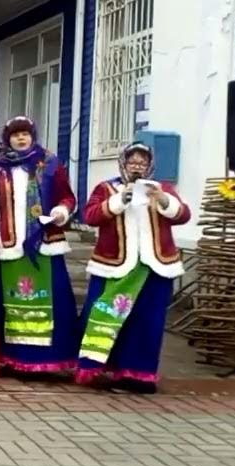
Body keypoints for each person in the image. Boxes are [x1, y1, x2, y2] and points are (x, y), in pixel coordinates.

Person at [77, 142, 191, 394]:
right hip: (114, 266)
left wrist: (163, 200)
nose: (137, 167)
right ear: (123, 164)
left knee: (146, 323)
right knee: (105, 316)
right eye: (132, 163)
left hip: (154, 268)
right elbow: (91, 216)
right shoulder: (106, 188)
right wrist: (119, 200)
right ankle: (103, 367)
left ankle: (138, 375)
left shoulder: (163, 189)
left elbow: (183, 215)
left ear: (150, 166)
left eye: (142, 163)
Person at [0, 116, 79, 377]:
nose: (20, 138)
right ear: (8, 139)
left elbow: (66, 196)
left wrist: (61, 211)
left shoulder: (48, 163)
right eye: (15, 134)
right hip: (7, 244)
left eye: (25, 134)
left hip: (43, 242)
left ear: (33, 136)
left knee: (51, 299)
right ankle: (11, 358)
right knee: (8, 302)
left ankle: (47, 359)